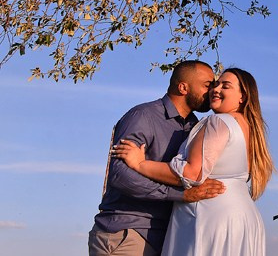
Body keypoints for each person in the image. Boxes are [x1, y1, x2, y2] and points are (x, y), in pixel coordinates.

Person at [113, 67, 274, 256]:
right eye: (214, 84)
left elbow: (192, 173)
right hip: (244, 218)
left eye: (225, 86)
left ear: (243, 96)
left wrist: (140, 164)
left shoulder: (218, 122)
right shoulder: (250, 130)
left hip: (210, 216)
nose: (216, 89)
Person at [89, 60, 226, 256]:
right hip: (129, 232)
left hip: (171, 236)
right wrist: (181, 195)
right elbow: (120, 176)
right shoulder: (142, 116)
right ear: (183, 87)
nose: (213, 90)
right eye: (207, 85)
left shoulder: (197, 127)